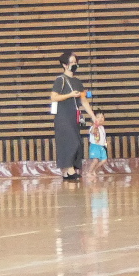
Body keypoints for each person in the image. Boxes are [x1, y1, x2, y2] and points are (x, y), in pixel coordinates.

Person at [49, 50, 90, 183]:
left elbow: (84, 100)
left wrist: (93, 117)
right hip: (63, 117)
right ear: (65, 65)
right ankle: (70, 169)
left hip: (74, 116)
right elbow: (53, 97)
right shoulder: (60, 80)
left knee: (76, 142)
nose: (74, 64)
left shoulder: (77, 81)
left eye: (75, 62)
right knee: (71, 142)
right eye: (71, 62)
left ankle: (66, 171)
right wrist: (70, 95)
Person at [85, 111, 109, 178]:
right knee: (95, 160)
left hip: (101, 146)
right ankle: (89, 172)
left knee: (104, 160)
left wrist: (105, 143)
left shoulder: (102, 128)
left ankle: (94, 170)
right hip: (95, 146)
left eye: (102, 117)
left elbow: (103, 138)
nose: (100, 119)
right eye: (98, 117)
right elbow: (93, 132)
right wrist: (95, 125)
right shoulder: (93, 127)